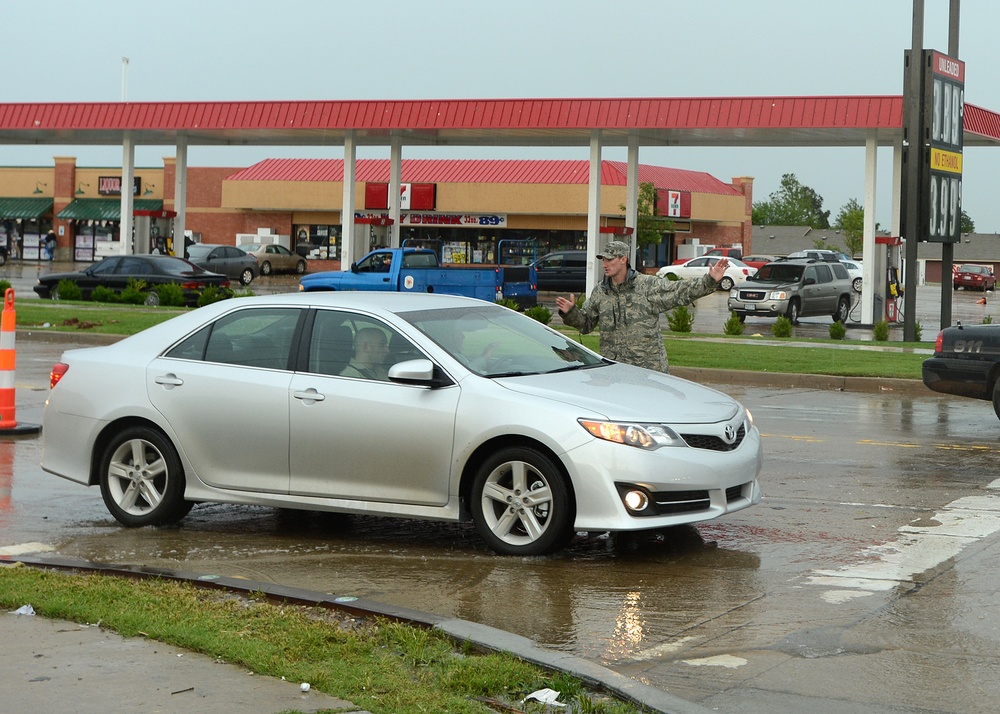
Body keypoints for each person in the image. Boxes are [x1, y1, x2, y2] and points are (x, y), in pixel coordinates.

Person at [555, 240, 729, 373]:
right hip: (614, 371)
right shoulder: (601, 292)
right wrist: (571, 313)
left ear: (623, 259)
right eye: (603, 260)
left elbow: (681, 291)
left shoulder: (647, 285)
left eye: (609, 259)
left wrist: (709, 281)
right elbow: (586, 324)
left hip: (648, 369)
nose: (605, 264)